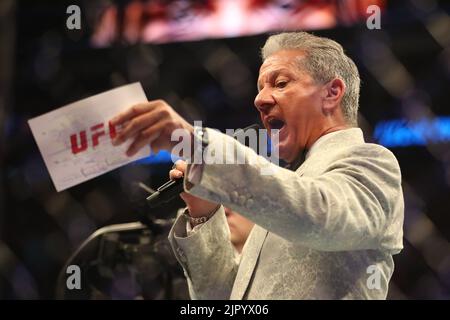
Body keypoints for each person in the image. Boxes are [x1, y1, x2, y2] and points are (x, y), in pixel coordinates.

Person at [110, 31, 404, 299]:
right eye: (260, 88)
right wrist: (204, 213)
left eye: (280, 83)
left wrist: (200, 147)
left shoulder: (372, 163)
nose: (259, 99)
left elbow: (318, 215)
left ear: (332, 93)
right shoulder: (287, 195)